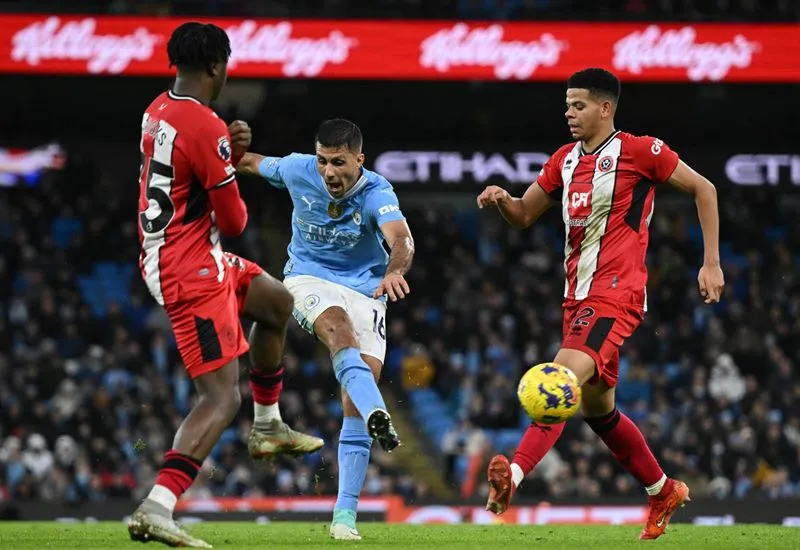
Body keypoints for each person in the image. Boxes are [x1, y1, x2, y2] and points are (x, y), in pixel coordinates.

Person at [476, 68, 725, 540]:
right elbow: (525, 214)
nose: (569, 113)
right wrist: (504, 199)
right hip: (576, 298)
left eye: (578, 105)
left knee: (558, 380)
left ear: (605, 108)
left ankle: (515, 475)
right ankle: (662, 489)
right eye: (567, 105)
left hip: (616, 293)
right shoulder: (564, 161)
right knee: (597, 410)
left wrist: (710, 263)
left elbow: (705, 189)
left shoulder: (639, 151)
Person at [129, 22, 323, 548]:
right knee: (219, 399)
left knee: (276, 302)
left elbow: (193, 168)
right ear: (217, 65)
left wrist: (223, 156)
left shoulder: (158, 108)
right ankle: (158, 505)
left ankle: (269, 426)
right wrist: (228, 159)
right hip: (187, 268)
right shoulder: (206, 125)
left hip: (180, 251)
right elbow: (235, 221)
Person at [236, 118, 415, 540]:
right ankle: (378, 410)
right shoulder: (298, 169)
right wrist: (212, 150)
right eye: (323, 162)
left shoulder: (377, 191)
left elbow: (402, 239)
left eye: (338, 163)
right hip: (308, 276)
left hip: (369, 288)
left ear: (359, 160)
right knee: (338, 331)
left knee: (354, 403)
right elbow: (250, 162)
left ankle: (344, 520)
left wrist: (393, 272)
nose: (329, 172)